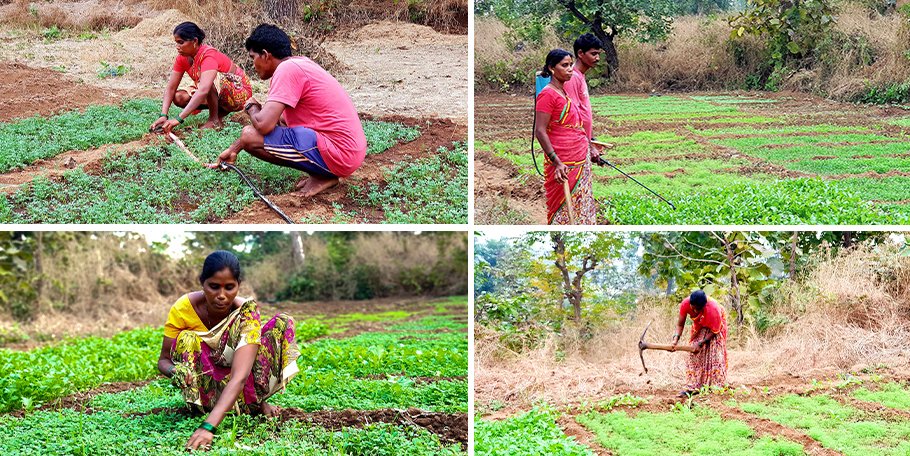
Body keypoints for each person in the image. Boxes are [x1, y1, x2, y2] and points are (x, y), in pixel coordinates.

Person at [157, 250, 300, 451]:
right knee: (187, 337)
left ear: (238, 286)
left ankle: (254, 402)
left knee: (282, 324)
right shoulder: (183, 308)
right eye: (214, 287)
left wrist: (208, 427)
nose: (221, 296)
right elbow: (163, 361)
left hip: (239, 381)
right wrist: (175, 371)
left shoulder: (246, 313)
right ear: (202, 283)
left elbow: (240, 375)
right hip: (205, 391)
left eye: (229, 287)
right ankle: (217, 407)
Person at [209, 24, 367, 198]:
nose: (253, 65)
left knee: (249, 136)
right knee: (280, 122)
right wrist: (234, 149)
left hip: (341, 153)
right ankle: (323, 172)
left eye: (253, 57)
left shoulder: (287, 70)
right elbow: (280, 120)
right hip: (349, 151)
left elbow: (263, 125)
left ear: (266, 55)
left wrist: (251, 107)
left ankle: (323, 175)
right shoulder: (298, 64)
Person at [150, 22, 253, 133]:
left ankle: (214, 120)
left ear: (195, 41)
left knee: (209, 81)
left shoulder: (208, 55)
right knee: (179, 97)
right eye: (176, 43)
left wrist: (178, 119)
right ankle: (219, 114)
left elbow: (204, 89)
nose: (177, 47)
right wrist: (163, 115)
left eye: (181, 42)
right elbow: (171, 88)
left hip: (238, 93)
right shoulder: (182, 58)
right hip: (218, 93)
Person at [534, 49, 597, 225]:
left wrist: (591, 147)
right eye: (564, 65)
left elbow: (575, 127)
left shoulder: (564, 92)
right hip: (563, 162)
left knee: (582, 204)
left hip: (579, 157)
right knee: (562, 208)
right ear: (552, 68)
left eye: (570, 65)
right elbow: (540, 130)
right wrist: (556, 162)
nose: (570, 69)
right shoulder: (548, 94)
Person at [670, 290, 728, 397]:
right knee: (694, 356)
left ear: (704, 306)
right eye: (694, 308)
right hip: (700, 326)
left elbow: (714, 330)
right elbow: (680, 325)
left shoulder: (713, 309)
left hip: (715, 328)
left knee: (714, 356)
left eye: (698, 309)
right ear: (690, 304)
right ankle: (693, 386)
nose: (695, 311)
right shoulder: (685, 304)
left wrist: (701, 343)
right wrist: (675, 339)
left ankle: (713, 386)